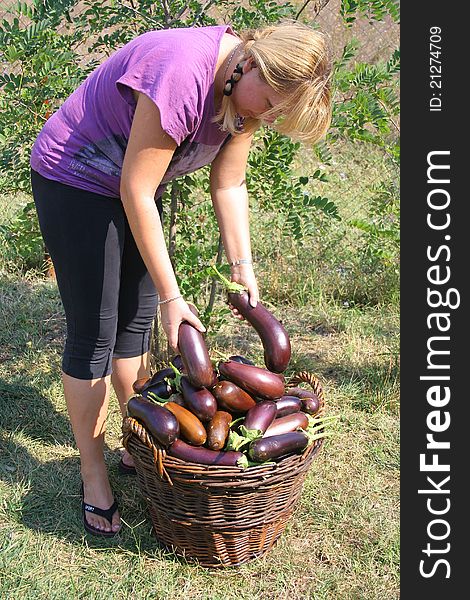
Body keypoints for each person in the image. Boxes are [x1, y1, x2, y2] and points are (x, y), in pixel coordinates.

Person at [30, 20, 332, 537]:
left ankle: (137, 439)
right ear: (254, 64)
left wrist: (243, 272)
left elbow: (230, 182)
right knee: (95, 333)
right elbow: (136, 188)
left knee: (134, 327)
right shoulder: (183, 73)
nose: (270, 117)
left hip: (132, 186)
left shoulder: (245, 93)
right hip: (76, 177)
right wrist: (174, 295)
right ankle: (93, 471)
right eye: (274, 104)